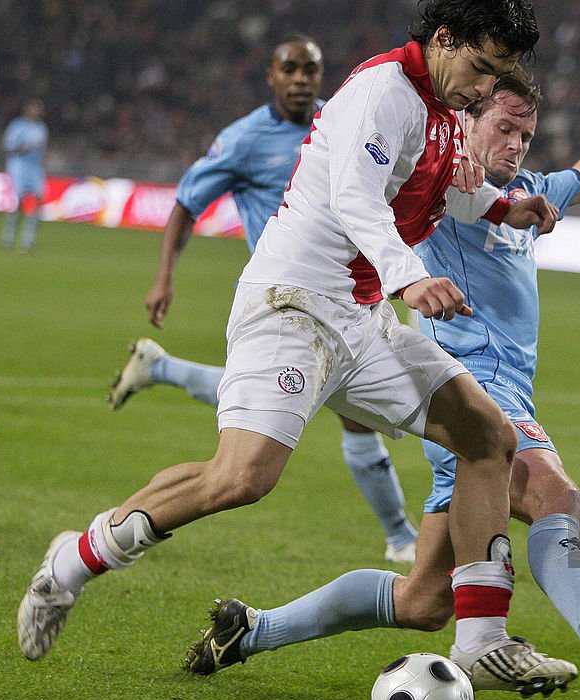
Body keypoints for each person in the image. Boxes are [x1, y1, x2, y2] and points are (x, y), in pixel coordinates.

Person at [18, 0, 580, 697]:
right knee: (242, 478)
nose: (484, 87)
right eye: (480, 67)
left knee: (486, 434)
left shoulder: (438, 109)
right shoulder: (386, 93)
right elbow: (355, 196)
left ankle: (483, 642)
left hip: (361, 318)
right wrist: (411, 276)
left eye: (497, 74)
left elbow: (438, 191)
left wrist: (502, 207)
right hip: (293, 306)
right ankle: (73, 560)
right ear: (443, 39)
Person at [182, 68, 580, 690]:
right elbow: (375, 179)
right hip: (462, 393)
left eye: (526, 135)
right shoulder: (436, 187)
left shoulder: (530, 195)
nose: (514, 144)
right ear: (467, 119)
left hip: (494, 396)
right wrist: (449, 156)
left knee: (422, 602)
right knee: (555, 495)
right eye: (503, 129)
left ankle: (251, 629)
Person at [105, 35, 419, 563]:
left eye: (311, 70)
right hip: (284, 302)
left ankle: (158, 369)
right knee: (292, 430)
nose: (301, 80)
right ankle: (401, 538)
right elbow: (185, 203)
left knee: (289, 407)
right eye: (289, 69)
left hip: (346, 300)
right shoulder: (246, 139)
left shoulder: (345, 120)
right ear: (271, 76)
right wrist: (164, 279)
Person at [0, 98, 48, 253]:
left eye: (38, 109)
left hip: (35, 167)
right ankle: (8, 238)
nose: (36, 111)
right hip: (19, 165)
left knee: (38, 200)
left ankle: (28, 240)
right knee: (18, 202)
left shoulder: (42, 128)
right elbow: (8, 146)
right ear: (27, 109)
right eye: (34, 108)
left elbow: (42, 149)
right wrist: (23, 148)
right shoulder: (18, 126)